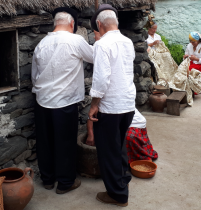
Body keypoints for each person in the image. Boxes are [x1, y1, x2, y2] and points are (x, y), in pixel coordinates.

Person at [31, 7, 96, 195]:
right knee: (65, 142)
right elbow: (94, 57)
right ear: (72, 24)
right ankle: (66, 182)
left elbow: (34, 76)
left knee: (45, 141)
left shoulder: (41, 44)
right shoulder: (75, 40)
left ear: (54, 24)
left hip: (42, 101)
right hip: (65, 102)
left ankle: (48, 180)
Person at [88, 4, 136, 207]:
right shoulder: (128, 41)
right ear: (116, 22)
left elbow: (101, 79)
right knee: (119, 146)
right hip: (127, 104)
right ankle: (123, 182)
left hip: (110, 107)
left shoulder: (102, 45)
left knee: (108, 151)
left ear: (99, 24)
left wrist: (93, 104)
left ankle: (117, 194)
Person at [86, 108, 158, 164]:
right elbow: (90, 118)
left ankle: (133, 160)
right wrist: (90, 135)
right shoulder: (100, 103)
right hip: (121, 123)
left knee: (127, 137)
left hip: (135, 123)